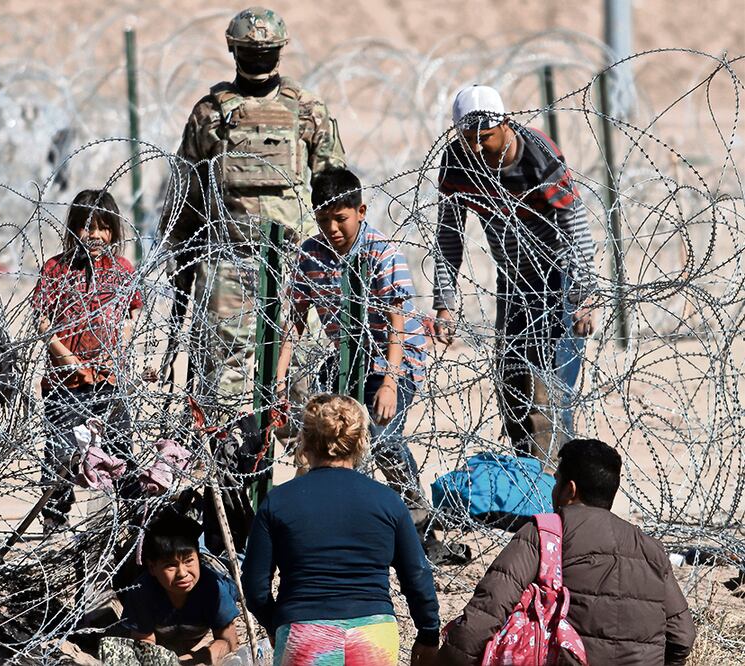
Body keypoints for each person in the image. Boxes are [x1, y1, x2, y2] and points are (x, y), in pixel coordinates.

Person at [161, 6, 346, 420]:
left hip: (289, 264)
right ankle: (239, 472)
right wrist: (179, 251)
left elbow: (333, 190)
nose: (260, 56)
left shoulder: (300, 111)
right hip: (249, 261)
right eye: (255, 49)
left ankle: (288, 470)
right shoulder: (218, 113)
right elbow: (188, 190)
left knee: (298, 378)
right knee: (235, 378)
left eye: (262, 49)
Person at [430, 84, 597, 467]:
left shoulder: (537, 154)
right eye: (467, 138)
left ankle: (558, 492)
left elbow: (574, 223)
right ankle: (529, 482)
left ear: (504, 124)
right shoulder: (458, 160)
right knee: (512, 389)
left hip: (558, 280)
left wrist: (584, 294)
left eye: (484, 138)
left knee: (548, 394)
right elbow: (449, 233)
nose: (476, 148)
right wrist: (445, 302)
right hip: (514, 282)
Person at [439, 438, 696, 665]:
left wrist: (445, 660)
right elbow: (682, 635)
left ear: (570, 489)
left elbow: (485, 614)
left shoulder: (545, 534)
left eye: (557, 481)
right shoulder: (650, 548)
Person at [277, 168, 433, 530]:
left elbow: (397, 323)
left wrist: (390, 384)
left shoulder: (382, 254)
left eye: (340, 219)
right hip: (347, 356)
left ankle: (417, 514)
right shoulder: (310, 255)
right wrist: (280, 379)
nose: (332, 228)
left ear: (361, 212)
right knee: (329, 434)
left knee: (381, 437)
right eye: (323, 220)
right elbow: (295, 320)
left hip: (394, 357)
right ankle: (337, 514)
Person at [241, 394, 440, 665]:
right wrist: (428, 633)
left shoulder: (278, 502)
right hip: (372, 632)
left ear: (304, 441)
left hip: (304, 631)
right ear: (360, 441)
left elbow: (254, 589)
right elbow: (416, 574)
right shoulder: (387, 501)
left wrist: (277, 623)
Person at [32, 189, 144, 529]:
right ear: (74, 229)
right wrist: (66, 358)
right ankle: (54, 524)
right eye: (86, 226)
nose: (95, 235)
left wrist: (117, 348)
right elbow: (42, 320)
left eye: (103, 227)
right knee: (61, 458)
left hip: (109, 382)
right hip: (65, 386)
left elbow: (133, 313)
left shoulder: (122, 269)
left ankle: (131, 523)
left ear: (113, 231)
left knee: (119, 453)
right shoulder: (56, 269)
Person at [103, 513, 241, 665]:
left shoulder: (214, 589)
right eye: (170, 565)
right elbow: (144, 643)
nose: (182, 573)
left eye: (189, 561)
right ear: (152, 567)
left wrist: (191, 660)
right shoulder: (142, 592)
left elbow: (229, 641)